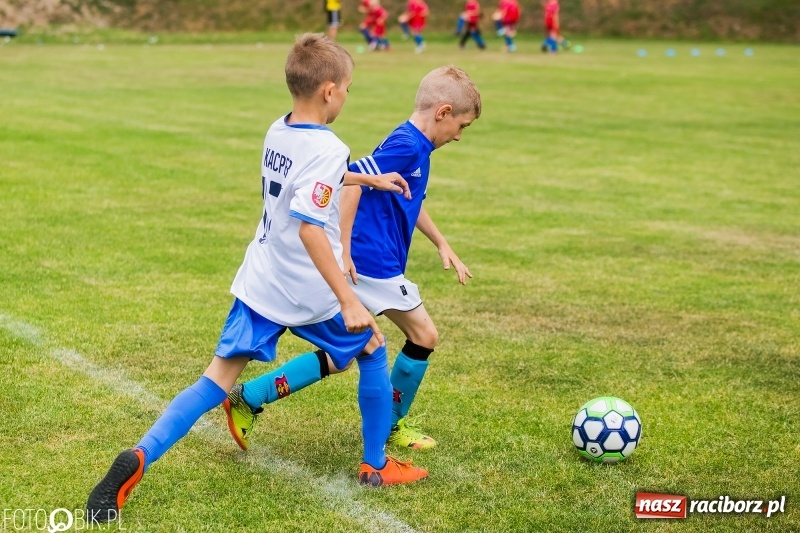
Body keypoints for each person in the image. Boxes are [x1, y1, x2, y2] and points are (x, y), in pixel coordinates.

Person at [85, 33, 428, 525]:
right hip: (308, 289)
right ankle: (375, 466)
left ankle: (138, 455)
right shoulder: (331, 147)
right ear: (329, 91)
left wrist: (363, 178)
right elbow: (311, 225)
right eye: (349, 88)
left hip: (261, 282)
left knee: (213, 381)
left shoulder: (279, 129)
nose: (348, 96)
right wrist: (347, 301)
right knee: (373, 348)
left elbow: (307, 181)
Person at [224, 65, 481, 453]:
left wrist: (442, 243)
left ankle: (252, 395)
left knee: (346, 352)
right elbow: (351, 182)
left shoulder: (416, 145)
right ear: (442, 112)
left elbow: (409, 197)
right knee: (423, 335)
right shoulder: (407, 145)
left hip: (373, 259)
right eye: (461, 126)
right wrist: (343, 249)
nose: (460, 136)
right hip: (371, 263)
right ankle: (391, 427)